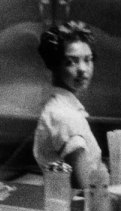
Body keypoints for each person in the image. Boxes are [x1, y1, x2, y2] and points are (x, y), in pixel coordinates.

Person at [33, 21, 102, 189]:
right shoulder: (65, 116)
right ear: (54, 65)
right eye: (71, 62)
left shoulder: (63, 107)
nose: (83, 69)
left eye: (88, 60)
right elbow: (82, 188)